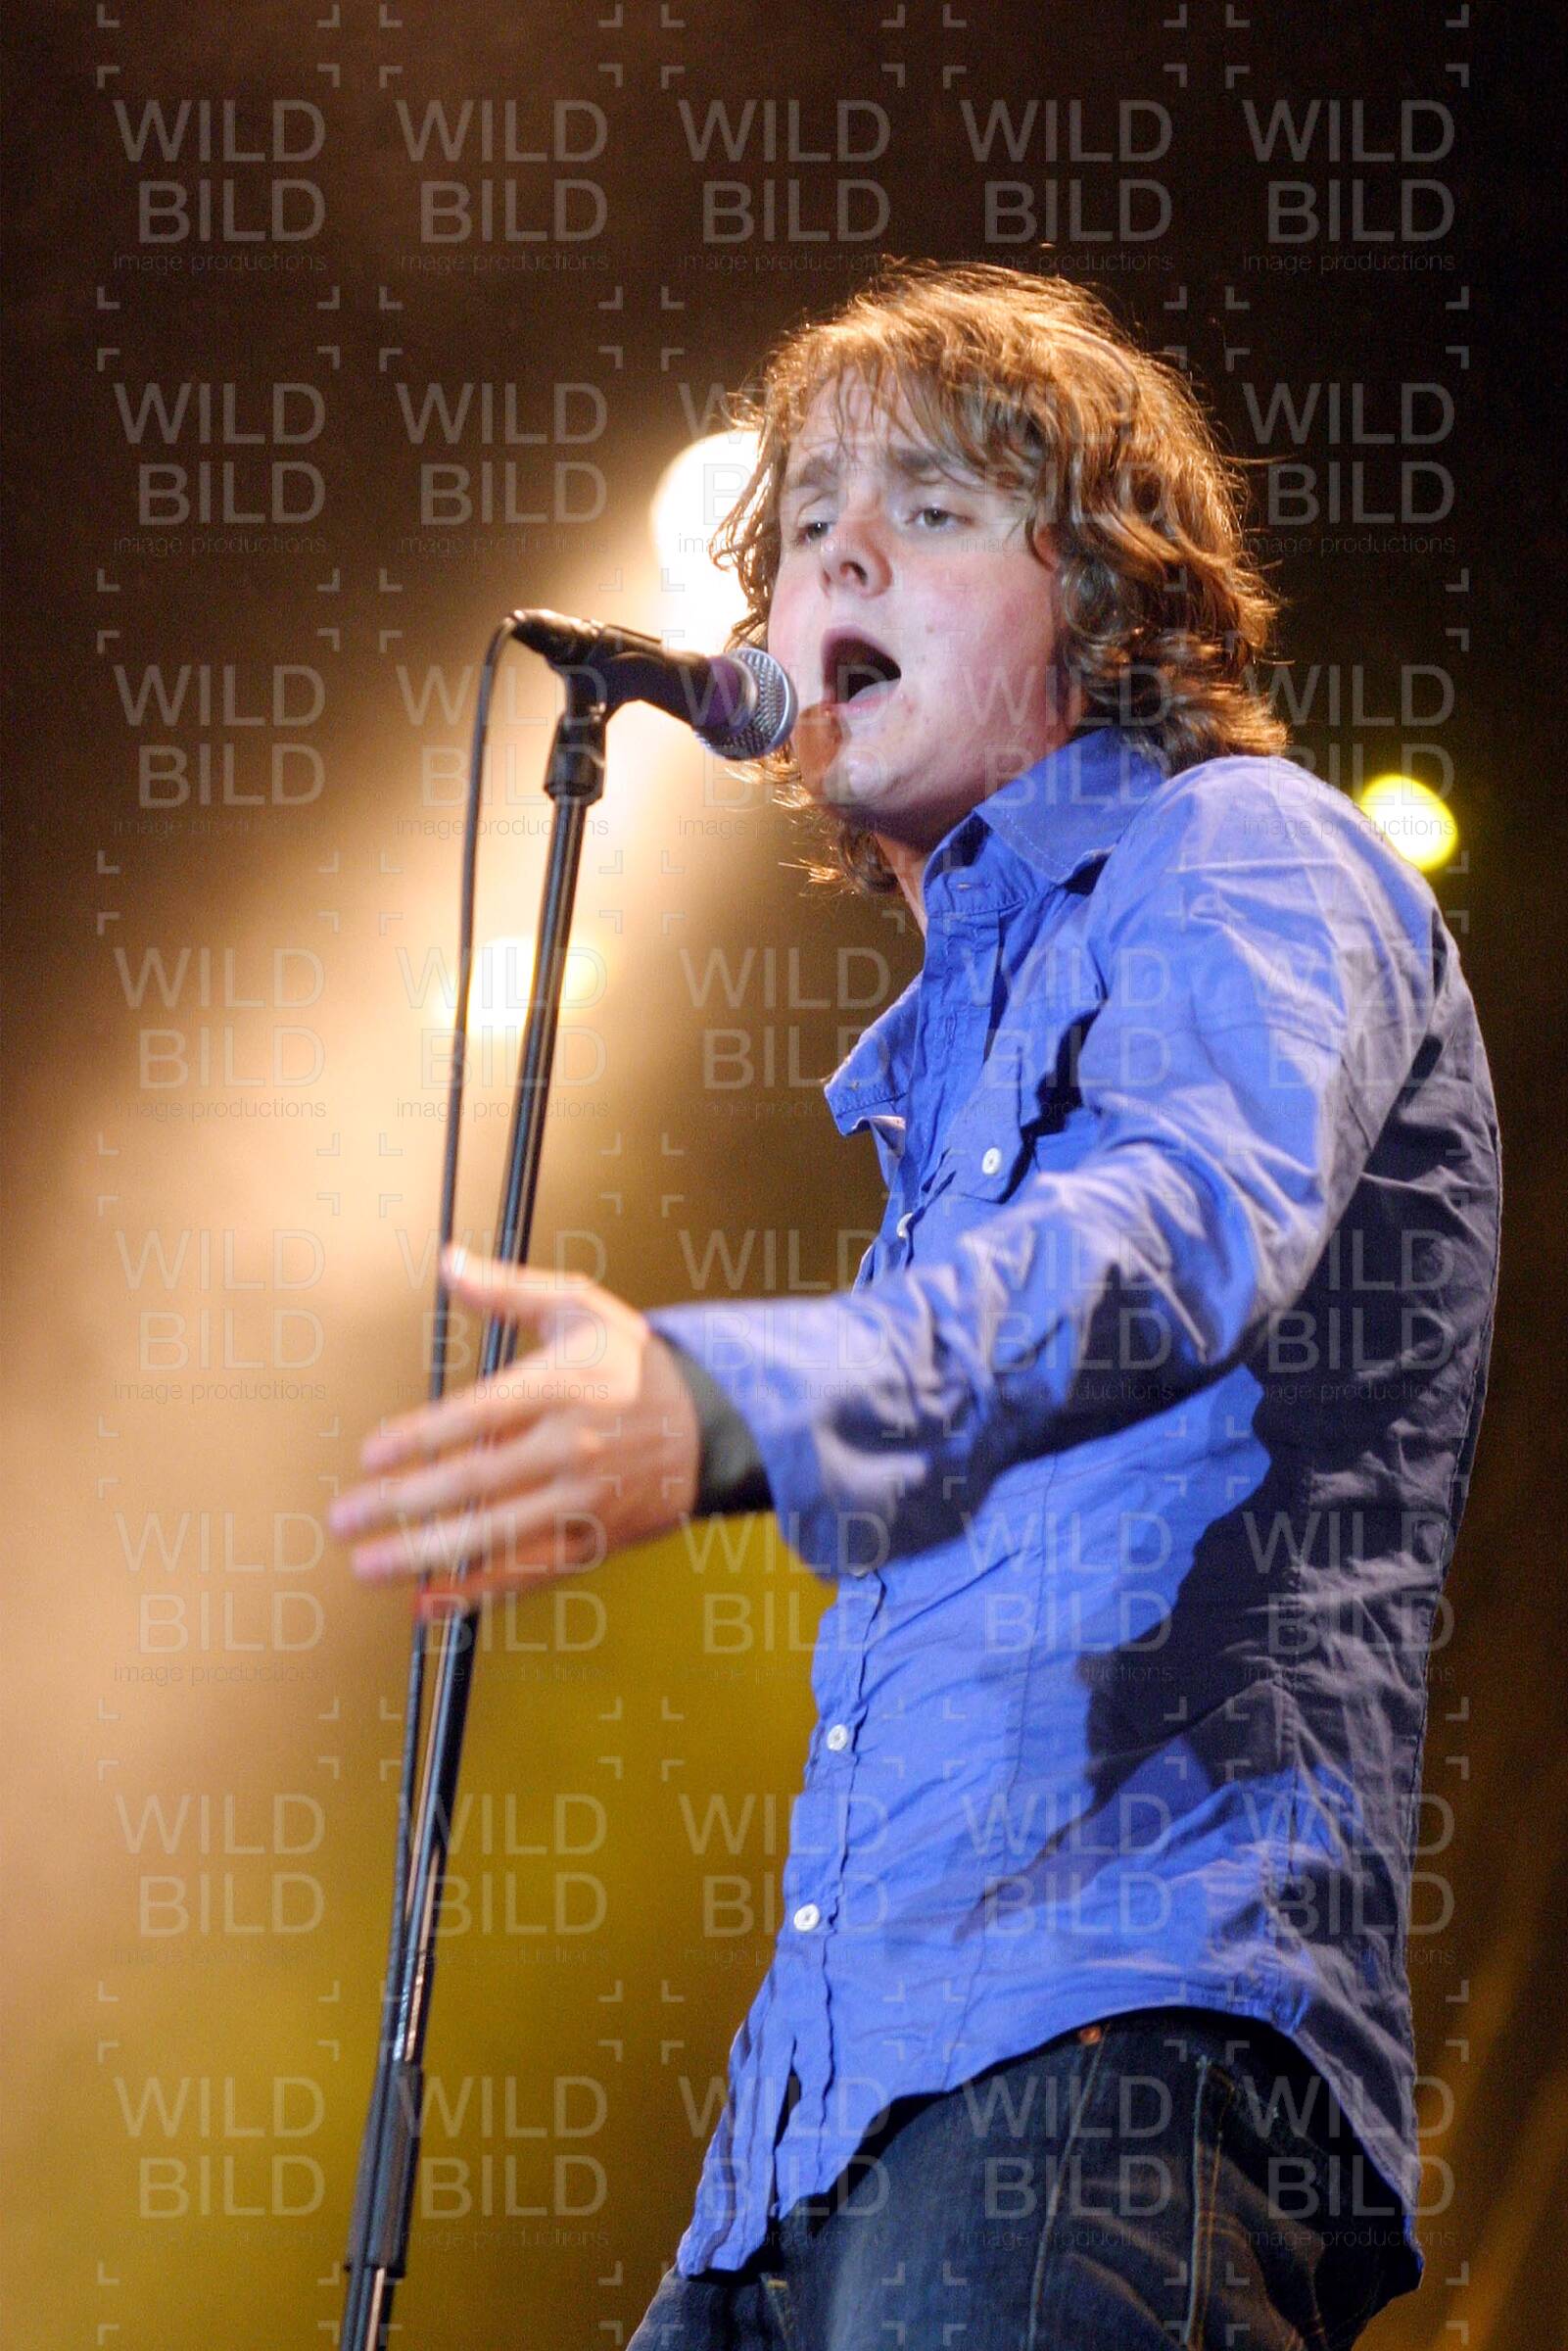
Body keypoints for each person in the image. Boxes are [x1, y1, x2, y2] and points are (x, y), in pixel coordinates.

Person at [328, 263, 1501, 2347]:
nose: (841, 556)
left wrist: (729, 1395)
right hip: (819, 2150)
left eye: (937, 510)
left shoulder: (1251, 853)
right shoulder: (937, 1068)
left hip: (1102, 2065)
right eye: (807, 525)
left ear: (1112, 602)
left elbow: (1170, 1231)